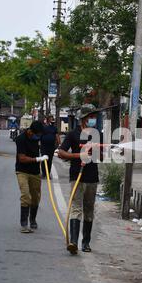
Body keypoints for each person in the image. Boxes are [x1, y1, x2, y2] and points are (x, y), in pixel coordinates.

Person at [57, 104, 100, 255]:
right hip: (77, 175)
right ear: (83, 118)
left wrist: (97, 149)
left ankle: (86, 243)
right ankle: (73, 242)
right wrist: (78, 156)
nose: (93, 119)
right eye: (91, 117)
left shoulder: (96, 134)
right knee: (76, 208)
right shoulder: (73, 134)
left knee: (89, 210)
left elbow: (100, 156)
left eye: (94, 117)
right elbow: (61, 152)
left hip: (92, 177)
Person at [15, 121, 49, 234]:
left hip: (35, 172)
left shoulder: (37, 139)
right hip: (22, 171)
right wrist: (38, 159)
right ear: (31, 132)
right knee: (25, 195)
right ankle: (24, 224)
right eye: (38, 134)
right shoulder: (21, 139)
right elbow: (22, 158)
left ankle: (32, 219)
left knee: (35, 197)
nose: (39, 136)